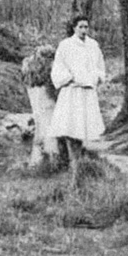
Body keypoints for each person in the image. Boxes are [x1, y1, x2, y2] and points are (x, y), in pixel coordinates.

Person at [49, 15, 106, 174]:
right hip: (71, 91)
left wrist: (95, 77)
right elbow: (58, 68)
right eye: (80, 27)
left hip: (87, 92)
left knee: (83, 127)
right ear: (74, 28)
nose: (83, 30)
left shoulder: (93, 45)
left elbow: (100, 67)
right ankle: (72, 162)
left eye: (86, 27)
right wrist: (70, 77)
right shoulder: (66, 45)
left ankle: (79, 165)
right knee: (70, 126)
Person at [20, 40, 60, 168]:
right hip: (49, 107)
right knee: (50, 136)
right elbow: (53, 94)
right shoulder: (49, 74)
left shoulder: (29, 73)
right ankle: (52, 164)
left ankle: (35, 163)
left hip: (37, 108)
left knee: (39, 134)